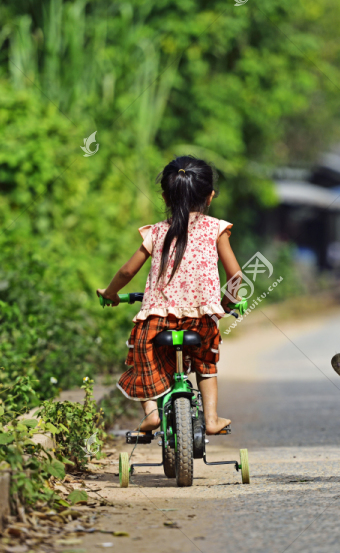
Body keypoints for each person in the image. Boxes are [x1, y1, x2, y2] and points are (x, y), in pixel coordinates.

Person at [97, 156, 241, 435]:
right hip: (201, 322)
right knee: (205, 364)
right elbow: (235, 276)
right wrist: (226, 303)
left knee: (142, 359)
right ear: (210, 196)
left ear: (165, 196)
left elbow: (126, 272)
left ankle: (151, 414)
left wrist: (111, 293)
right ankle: (210, 419)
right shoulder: (216, 229)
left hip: (156, 323)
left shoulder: (156, 232)